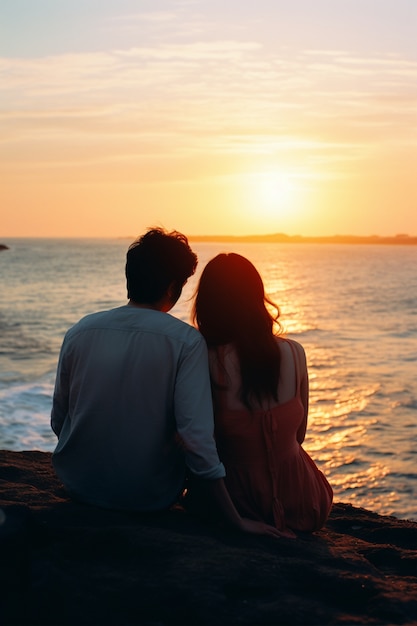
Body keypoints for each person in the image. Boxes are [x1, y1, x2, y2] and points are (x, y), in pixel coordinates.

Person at [51, 228, 282, 537]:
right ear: (173, 286)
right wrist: (236, 521)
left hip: (78, 486)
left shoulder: (80, 331)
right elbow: (197, 441)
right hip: (148, 498)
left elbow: (59, 421)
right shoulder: (186, 342)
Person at [193, 253, 333, 534]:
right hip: (305, 502)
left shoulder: (204, 361)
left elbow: (198, 449)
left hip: (235, 503)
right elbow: (299, 436)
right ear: (257, 299)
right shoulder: (295, 352)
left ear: (207, 304)